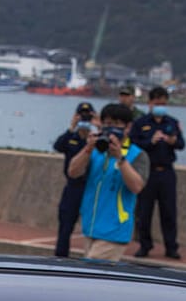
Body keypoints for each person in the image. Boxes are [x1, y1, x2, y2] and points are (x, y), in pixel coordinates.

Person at [67, 102, 148, 261]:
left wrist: (120, 158)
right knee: (95, 280)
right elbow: (73, 172)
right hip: (91, 227)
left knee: (88, 274)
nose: (111, 128)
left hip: (115, 230)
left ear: (127, 127)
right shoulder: (96, 151)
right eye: (107, 124)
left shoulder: (136, 155)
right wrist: (88, 149)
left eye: (117, 124)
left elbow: (137, 186)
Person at [130, 85, 186, 259]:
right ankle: (145, 245)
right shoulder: (141, 123)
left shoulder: (172, 122)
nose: (160, 106)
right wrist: (150, 141)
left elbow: (182, 144)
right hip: (147, 172)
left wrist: (172, 141)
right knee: (144, 212)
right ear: (150, 103)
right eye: (157, 103)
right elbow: (133, 144)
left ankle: (171, 247)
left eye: (163, 103)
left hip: (167, 172)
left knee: (169, 211)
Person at [50, 103, 96, 258]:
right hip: (73, 187)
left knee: (93, 227)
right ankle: (61, 258)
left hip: (91, 186)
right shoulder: (71, 138)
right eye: (81, 115)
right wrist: (72, 127)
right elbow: (58, 146)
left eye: (87, 115)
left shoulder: (96, 139)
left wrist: (98, 126)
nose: (84, 118)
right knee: (65, 224)